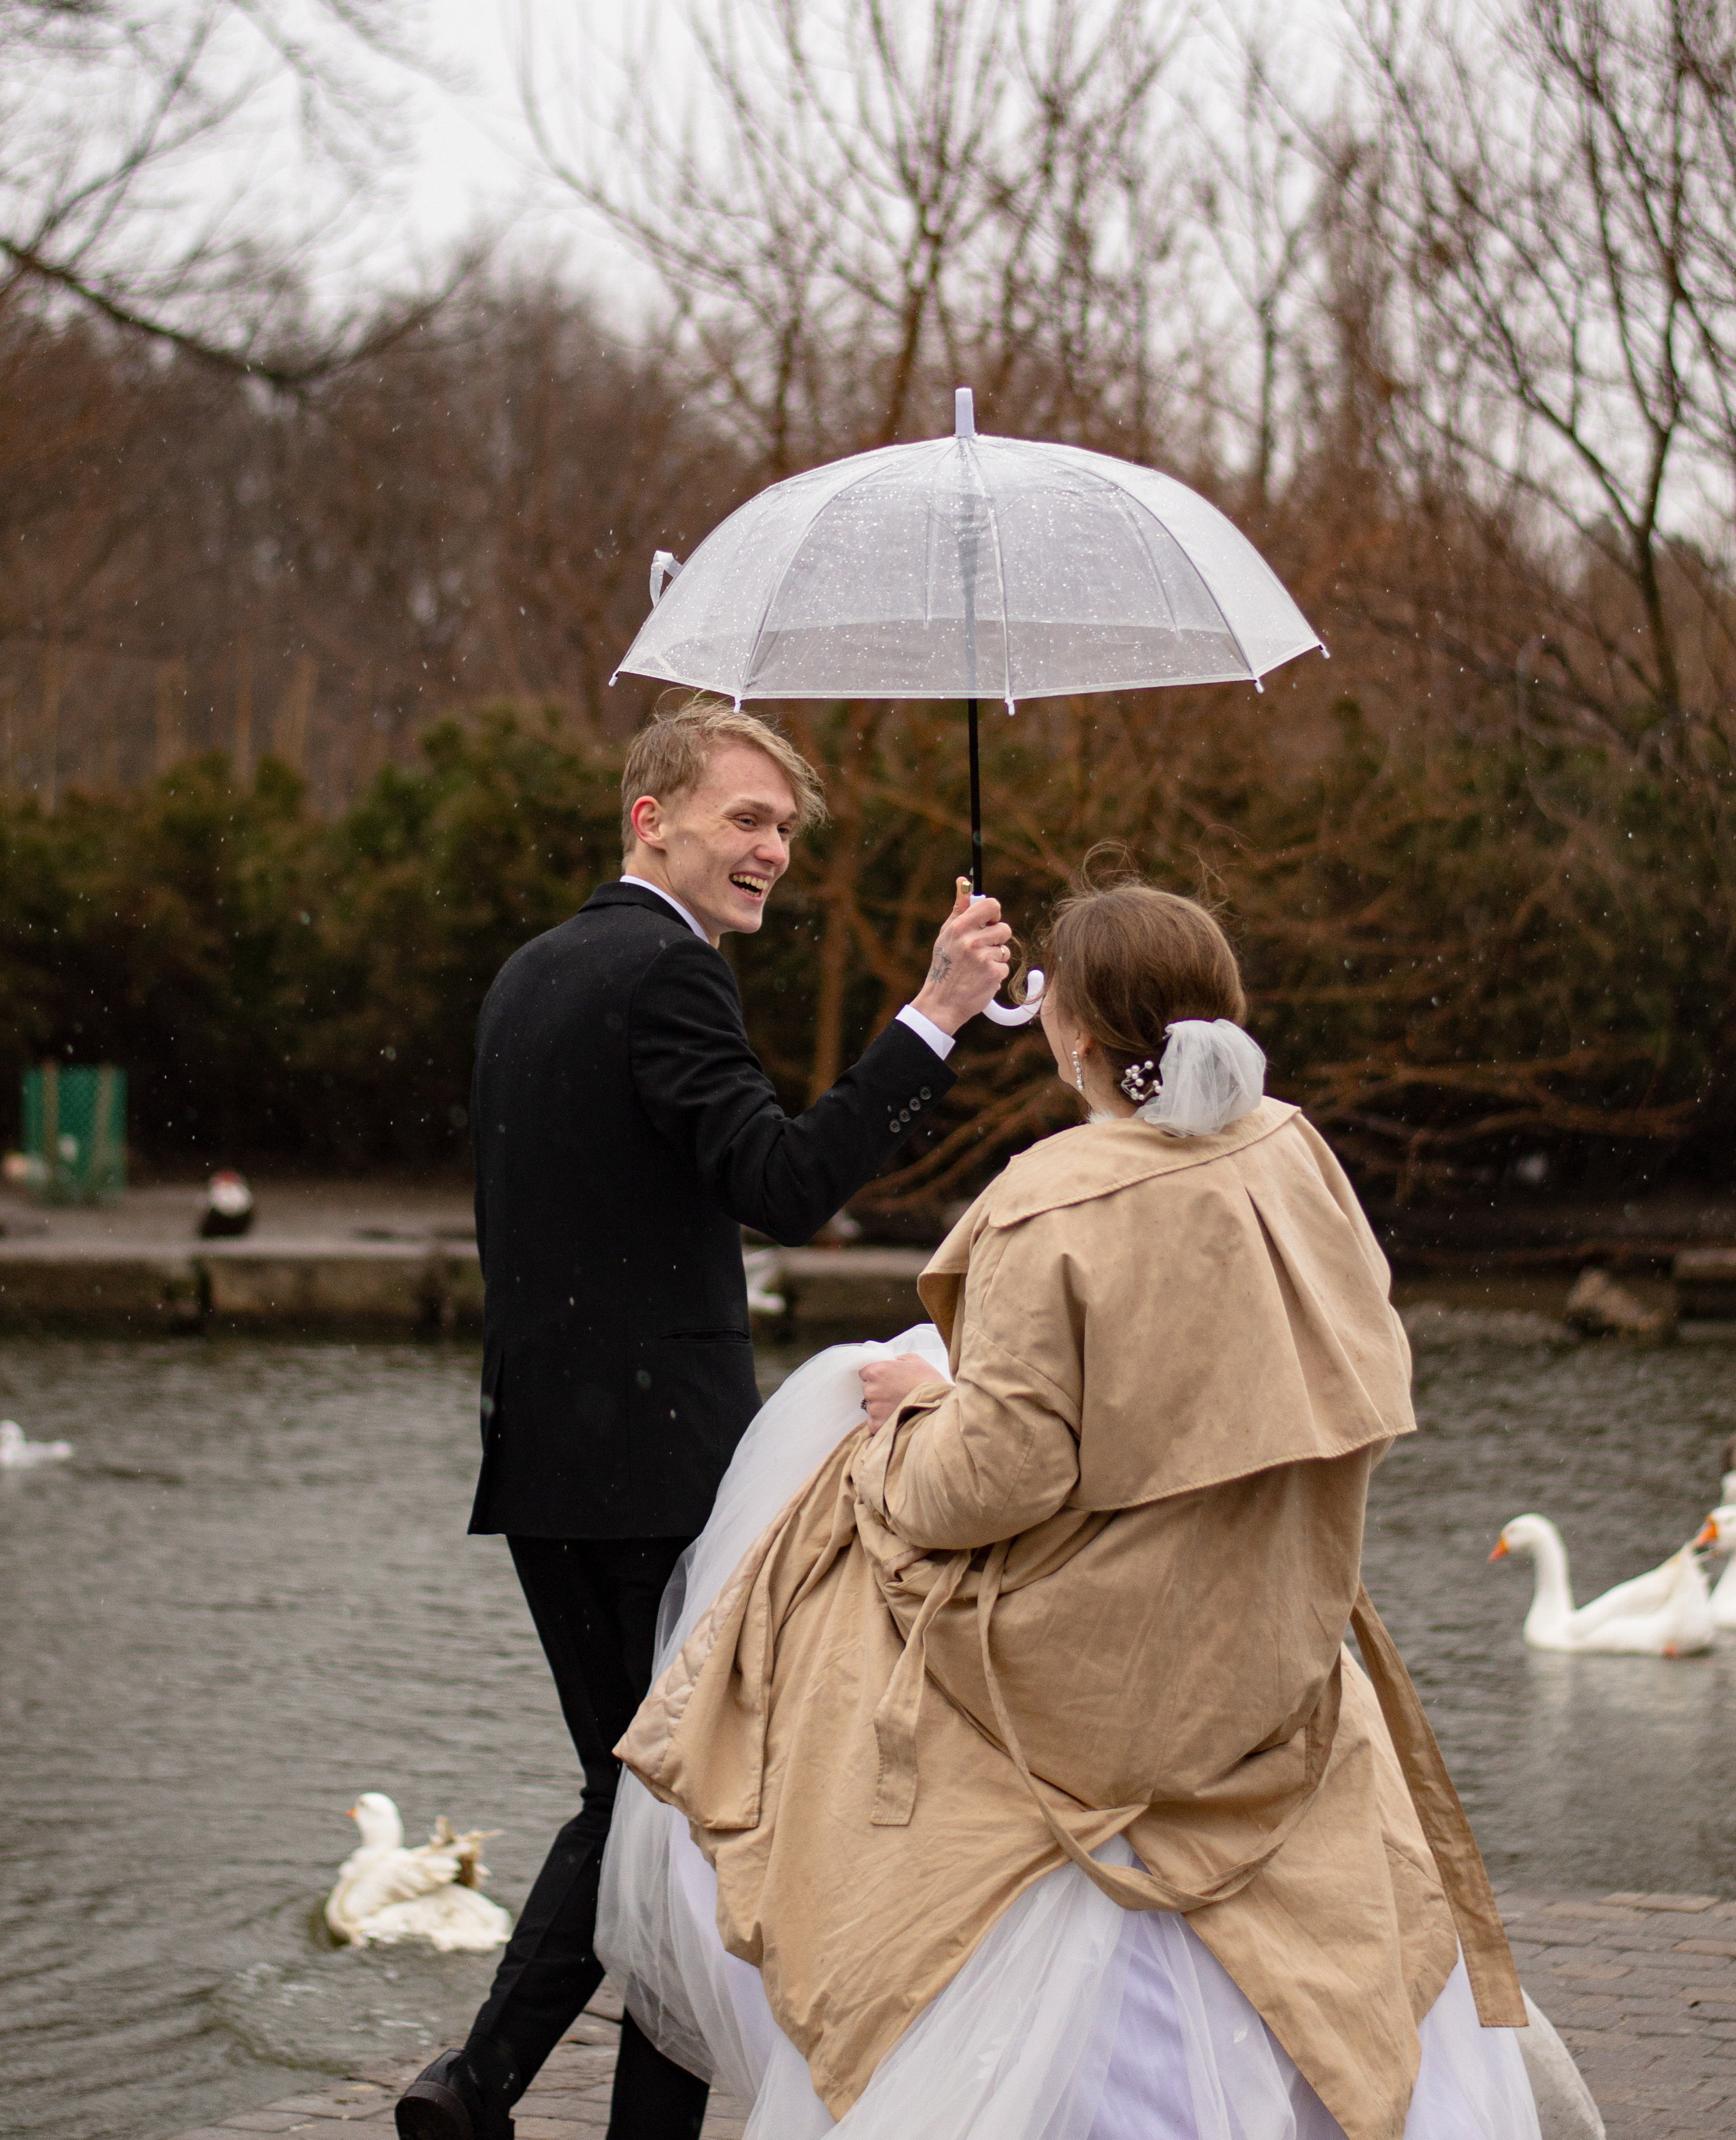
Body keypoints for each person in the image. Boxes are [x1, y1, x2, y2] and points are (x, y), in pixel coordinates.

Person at [599, 874, 1579, 2140]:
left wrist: (901, 1429)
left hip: (1097, 1668)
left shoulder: (1046, 1199)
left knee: (793, 1621)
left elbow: (989, 1483)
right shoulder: (1296, 1152)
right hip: (1265, 1634)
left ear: (1068, 1027)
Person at [395, 697, 1013, 2140]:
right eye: (746, 819)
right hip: (658, 1465)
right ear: (650, 819)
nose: (773, 852)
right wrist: (931, 1016)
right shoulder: (667, 976)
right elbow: (784, 1182)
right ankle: (497, 2087)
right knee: (688, 1804)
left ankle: (475, 2084)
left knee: (641, 1799)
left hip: (541, 1459)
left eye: (787, 829)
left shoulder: (529, 974)